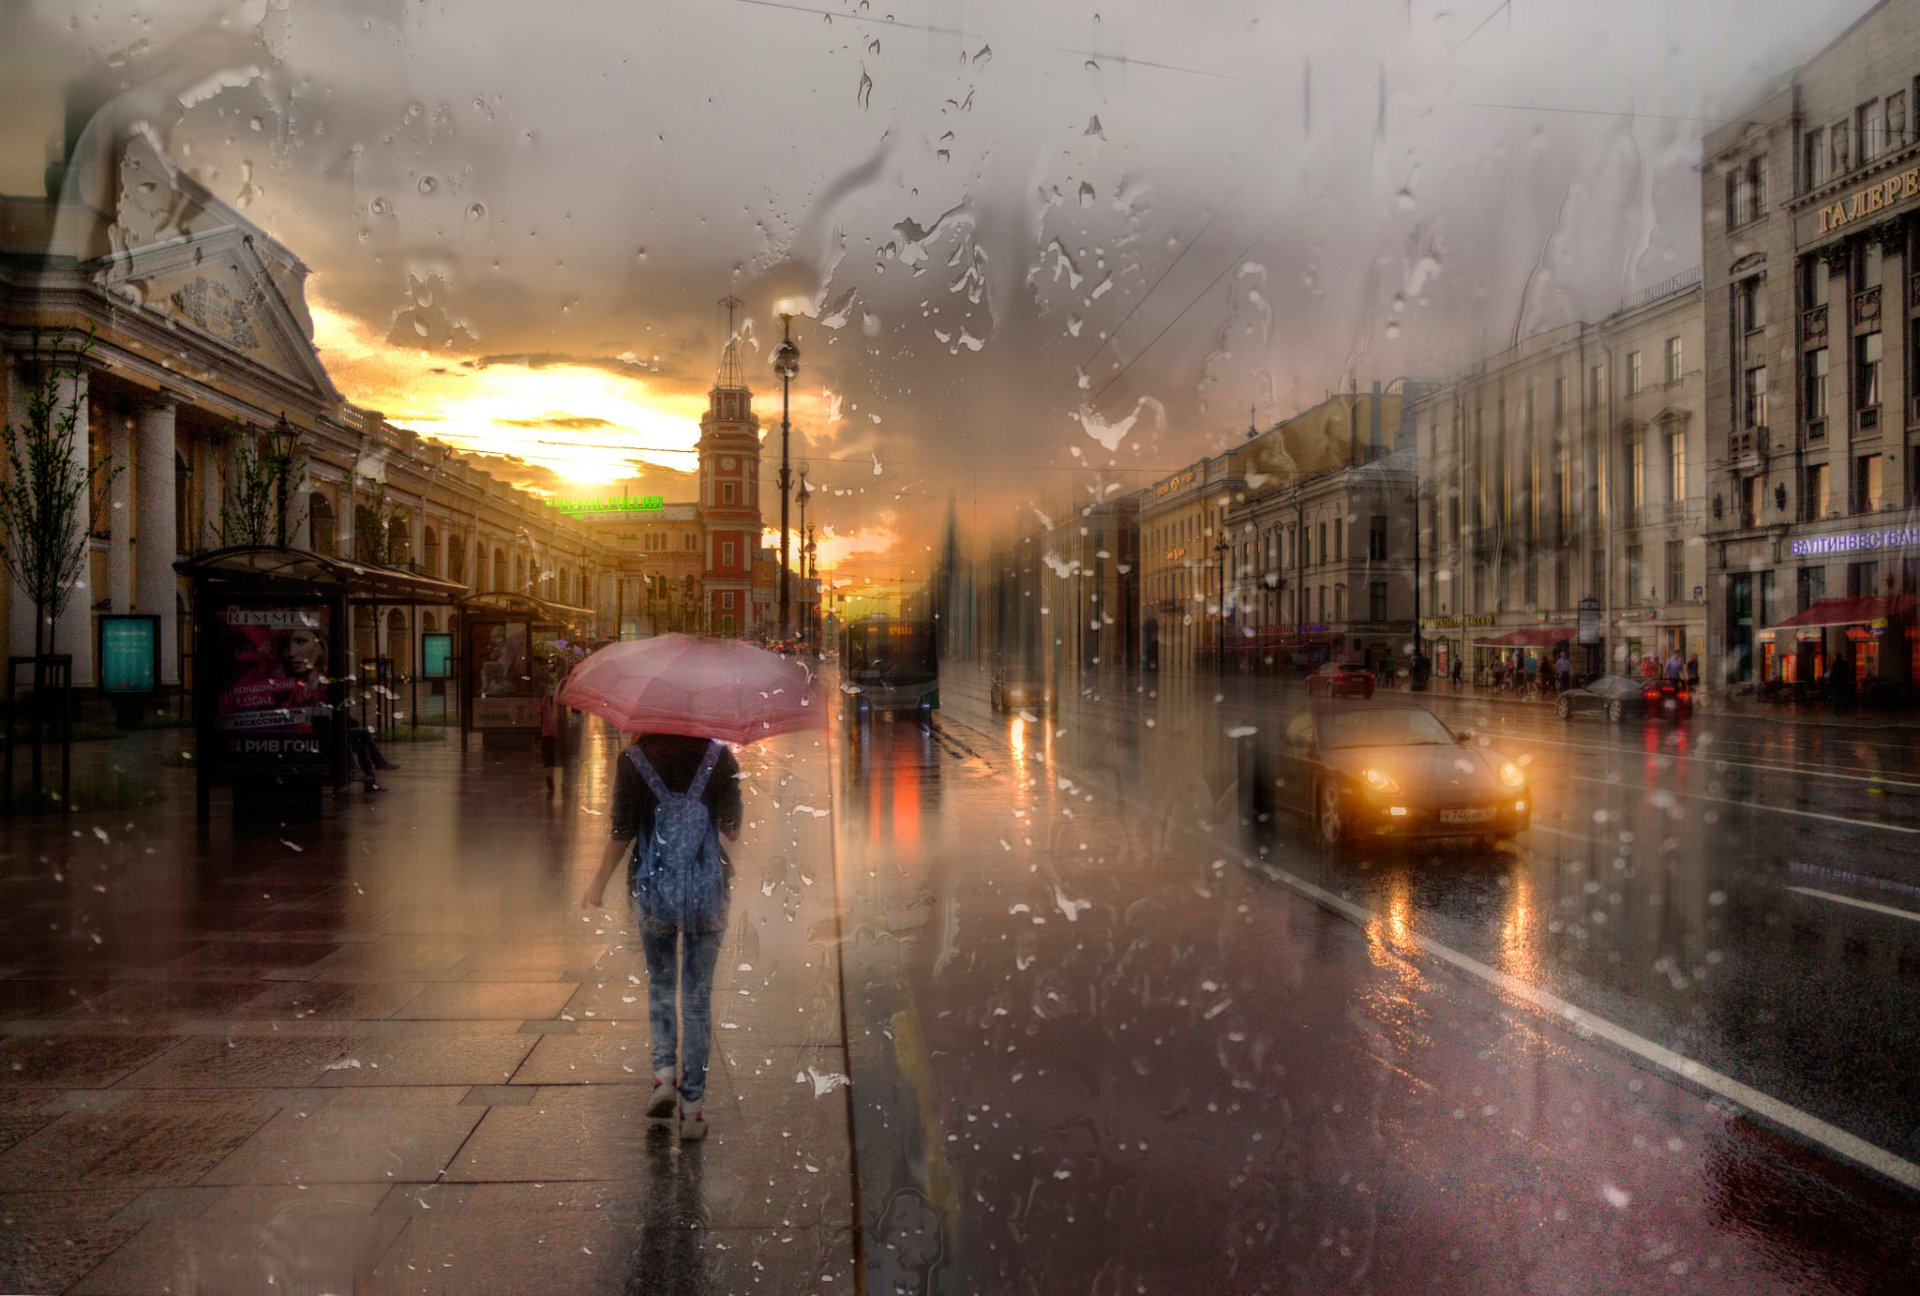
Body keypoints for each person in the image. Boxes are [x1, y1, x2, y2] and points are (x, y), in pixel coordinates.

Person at [584, 731, 744, 1142]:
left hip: (653, 894)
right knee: (696, 1000)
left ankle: (663, 1079)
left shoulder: (633, 759)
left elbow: (622, 832)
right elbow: (732, 830)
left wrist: (598, 883)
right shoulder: (720, 758)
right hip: (708, 897)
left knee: (660, 987)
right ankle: (693, 1111)